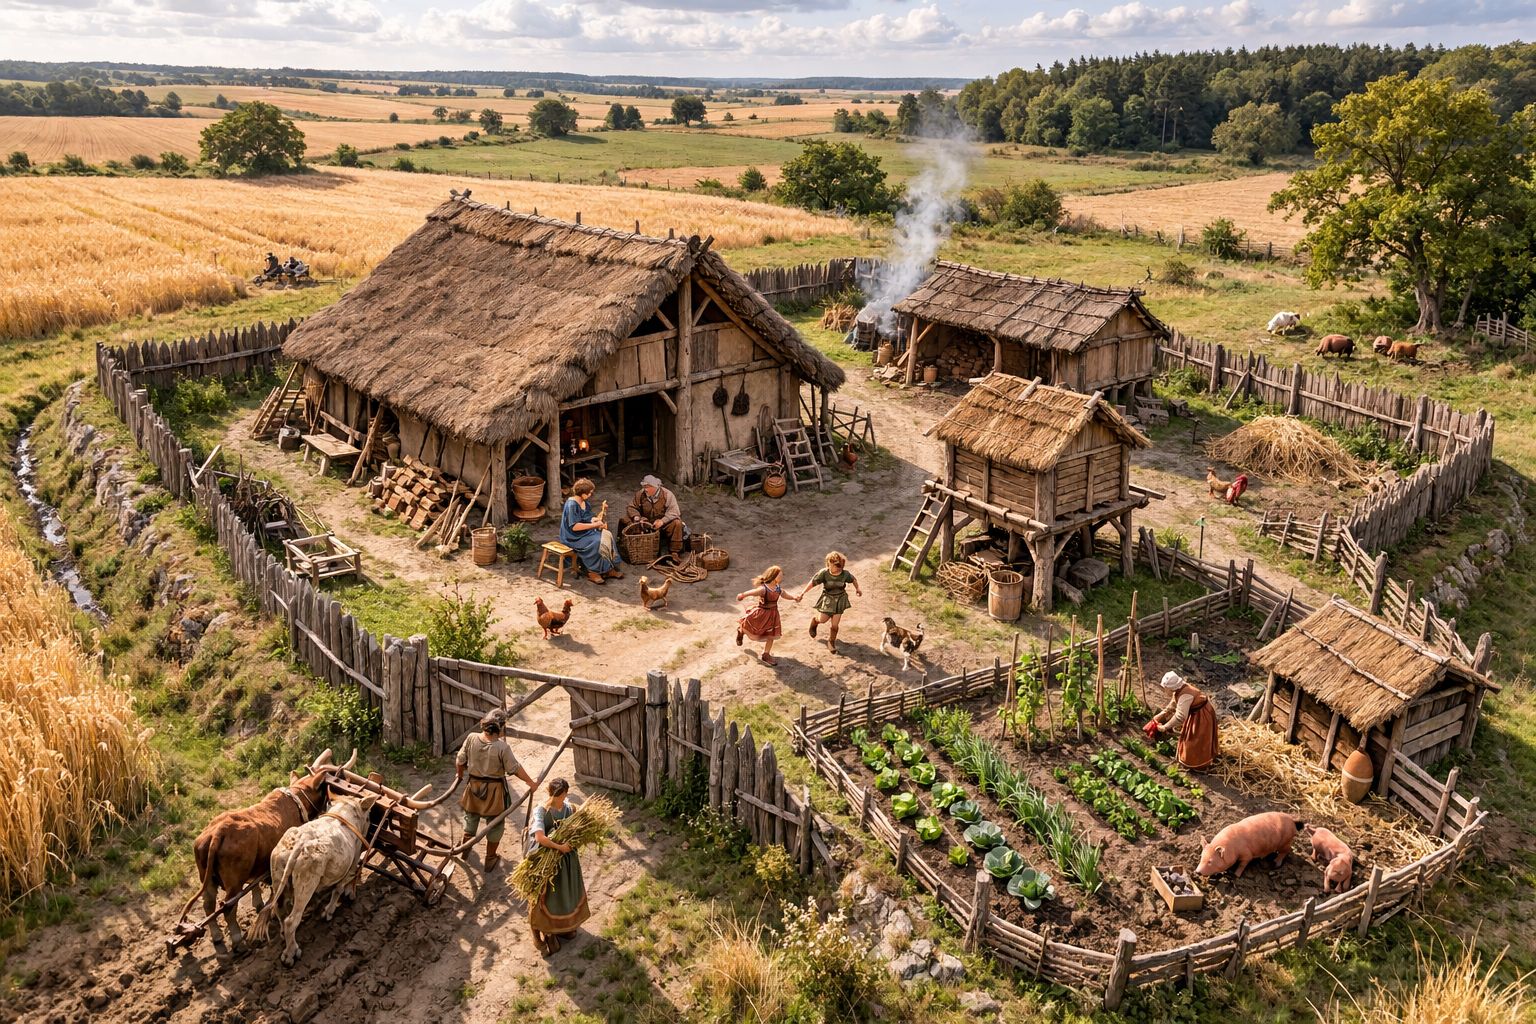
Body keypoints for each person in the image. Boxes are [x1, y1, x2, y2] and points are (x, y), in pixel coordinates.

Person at [455, 716, 535, 872]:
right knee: (495, 823)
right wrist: (531, 782)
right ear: (501, 729)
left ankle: (465, 848)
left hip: (474, 786)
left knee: (471, 817)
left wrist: (459, 775)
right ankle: (490, 858)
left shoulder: (472, 738)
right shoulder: (502, 747)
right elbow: (514, 768)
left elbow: (460, 760)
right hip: (494, 792)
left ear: (483, 726)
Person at [527, 778, 590, 954]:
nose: (565, 796)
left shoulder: (567, 808)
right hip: (545, 858)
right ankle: (539, 931)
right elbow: (539, 837)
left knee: (565, 892)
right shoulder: (541, 811)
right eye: (564, 794)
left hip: (566, 860)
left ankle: (564, 927)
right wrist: (559, 847)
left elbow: (576, 822)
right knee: (545, 896)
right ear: (557, 794)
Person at [1144, 671, 1218, 770]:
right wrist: (1160, 715)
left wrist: (1165, 727)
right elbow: (1173, 705)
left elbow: (1180, 717)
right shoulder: (1180, 689)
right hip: (1196, 713)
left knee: (1196, 740)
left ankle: (1198, 764)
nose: (1164, 690)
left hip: (1202, 716)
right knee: (1192, 737)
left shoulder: (1185, 696)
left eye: (1165, 688)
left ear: (1170, 687)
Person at [560, 478, 623, 585]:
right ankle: (593, 572)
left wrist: (596, 519)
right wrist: (594, 525)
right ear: (582, 493)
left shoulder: (584, 503)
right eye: (589, 493)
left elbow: (587, 517)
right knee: (597, 541)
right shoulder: (572, 505)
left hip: (584, 532)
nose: (590, 494)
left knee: (606, 535)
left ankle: (607, 569)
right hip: (573, 536)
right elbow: (574, 526)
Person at [798, 551, 861, 655]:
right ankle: (814, 621)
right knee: (822, 620)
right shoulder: (824, 573)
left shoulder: (845, 574)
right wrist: (802, 593)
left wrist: (857, 589)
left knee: (835, 625)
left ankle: (831, 642)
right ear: (829, 564)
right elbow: (813, 583)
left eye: (840, 566)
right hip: (828, 600)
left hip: (840, 600)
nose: (839, 569)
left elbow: (853, 579)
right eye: (836, 566)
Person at [736, 565, 798, 666]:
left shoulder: (777, 588)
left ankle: (766, 654)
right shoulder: (764, 589)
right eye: (780, 575)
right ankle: (741, 631)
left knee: (771, 634)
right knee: (752, 627)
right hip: (762, 613)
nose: (781, 577)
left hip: (773, 614)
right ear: (773, 576)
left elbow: (784, 594)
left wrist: (794, 597)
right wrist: (743, 595)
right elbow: (754, 592)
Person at [625, 475, 686, 559]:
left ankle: (674, 552)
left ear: (655, 487)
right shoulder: (641, 494)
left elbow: (674, 511)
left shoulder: (667, 494)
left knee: (677, 523)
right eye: (644, 486)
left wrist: (662, 521)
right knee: (626, 520)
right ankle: (639, 549)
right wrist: (637, 517)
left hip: (663, 524)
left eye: (648, 487)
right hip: (646, 524)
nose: (645, 489)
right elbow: (631, 507)